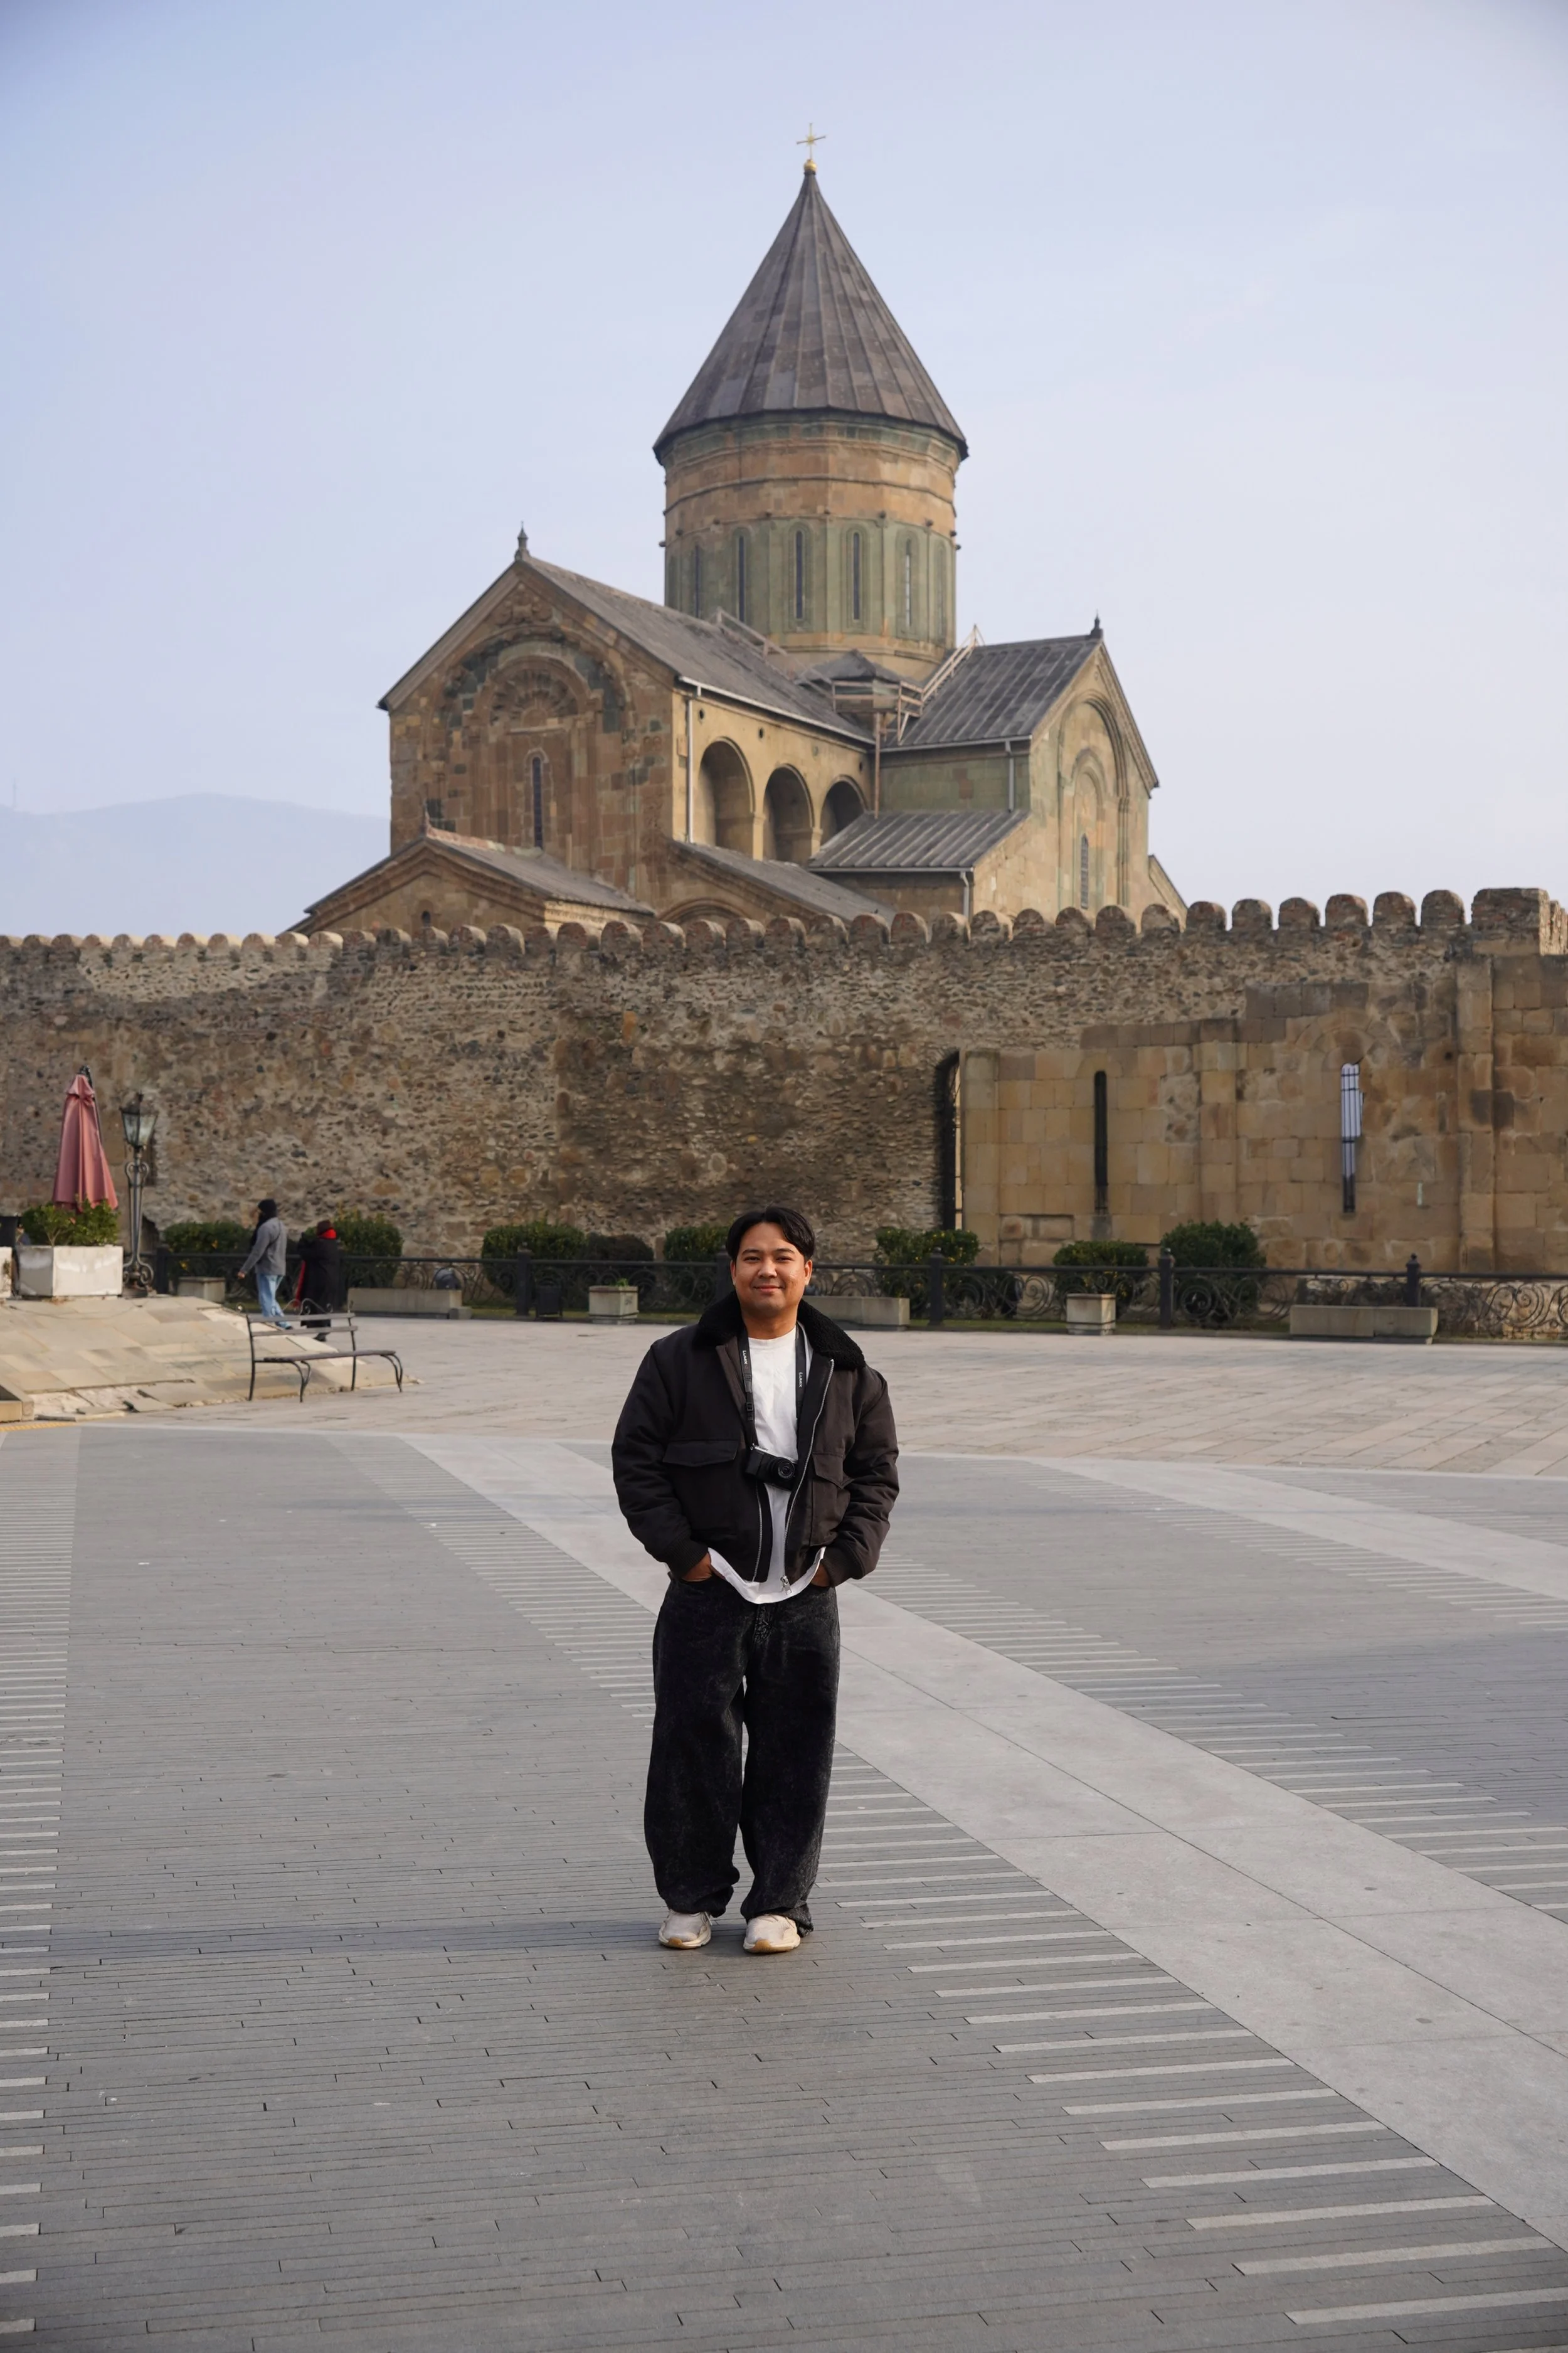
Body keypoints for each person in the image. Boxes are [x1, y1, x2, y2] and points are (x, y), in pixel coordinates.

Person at [612, 1206, 899, 1956]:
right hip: (709, 1589)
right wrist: (685, 1556)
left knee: (796, 1750)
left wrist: (842, 1561)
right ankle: (689, 1896)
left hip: (806, 1592)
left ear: (808, 1270)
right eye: (749, 1257)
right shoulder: (679, 1359)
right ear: (731, 1269)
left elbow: (876, 1477)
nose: (765, 1269)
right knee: (691, 1745)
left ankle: (780, 1901)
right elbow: (636, 1463)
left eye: (781, 1257)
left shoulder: (848, 1370)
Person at [237, 1198, 289, 1329]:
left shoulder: (266, 1228)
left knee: (266, 1298)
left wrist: (244, 1269)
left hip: (267, 1267)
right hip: (280, 1267)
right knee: (271, 1297)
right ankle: (283, 1323)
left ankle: (269, 1324)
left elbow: (258, 1251)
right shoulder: (282, 1226)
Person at [294, 1219, 344, 1332]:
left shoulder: (321, 1244)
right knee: (325, 1306)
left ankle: (321, 1330)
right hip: (331, 1280)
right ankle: (324, 1328)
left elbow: (306, 1254)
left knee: (316, 1306)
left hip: (319, 1281)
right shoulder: (333, 1244)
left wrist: (302, 1243)